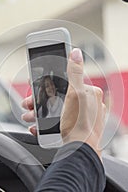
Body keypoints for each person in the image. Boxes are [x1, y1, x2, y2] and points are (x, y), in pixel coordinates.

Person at [22, 48, 106, 192]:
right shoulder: (43, 108)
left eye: (51, 85)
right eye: (46, 85)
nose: (49, 88)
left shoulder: (62, 104)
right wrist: (83, 145)